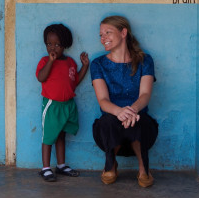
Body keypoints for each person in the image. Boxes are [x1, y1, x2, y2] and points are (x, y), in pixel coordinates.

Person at [90, 16, 158, 188]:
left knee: (140, 120)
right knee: (108, 121)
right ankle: (110, 165)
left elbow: (145, 94)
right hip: (110, 130)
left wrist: (132, 110)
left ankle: (144, 169)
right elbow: (103, 101)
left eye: (108, 32)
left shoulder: (145, 60)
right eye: (100, 35)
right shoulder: (98, 64)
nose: (103, 38)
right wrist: (120, 112)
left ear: (123, 33)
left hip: (139, 129)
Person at [36, 23, 89, 182]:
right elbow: (41, 78)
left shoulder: (70, 62)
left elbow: (75, 81)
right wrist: (51, 62)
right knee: (48, 137)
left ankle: (61, 165)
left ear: (65, 45)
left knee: (61, 136)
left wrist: (85, 66)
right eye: (49, 44)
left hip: (67, 105)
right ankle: (45, 168)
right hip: (52, 106)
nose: (53, 48)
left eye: (57, 45)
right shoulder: (45, 61)